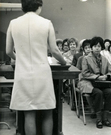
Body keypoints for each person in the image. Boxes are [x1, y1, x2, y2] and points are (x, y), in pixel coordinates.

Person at [6, 0, 66, 135]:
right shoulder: (46, 23)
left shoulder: (13, 23)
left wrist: (20, 58)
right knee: (47, 112)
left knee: (29, 114)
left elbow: (8, 51)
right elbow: (55, 50)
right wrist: (63, 62)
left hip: (23, 74)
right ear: (39, 6)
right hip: (42, 73)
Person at [81, 36, 111, 129]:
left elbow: (110, 71)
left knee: (110, 92)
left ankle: (105, 118)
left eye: (99, 46)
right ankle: (99, 119)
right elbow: (85, 73)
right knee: (98, 93)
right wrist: (97, 77)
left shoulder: (104, 59)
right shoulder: (86, 58)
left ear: (102, 47)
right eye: (95, 46)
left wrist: (107, 76)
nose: (97, 48)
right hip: (89, 82)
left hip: (102, 83)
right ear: (91, 47)